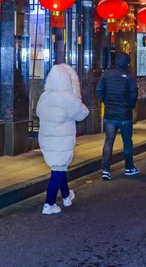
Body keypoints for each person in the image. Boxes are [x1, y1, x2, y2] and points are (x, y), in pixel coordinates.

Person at [37, 64, 89, 215]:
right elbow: (82, 114)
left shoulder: (45, 96)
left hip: (47, 138)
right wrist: (77, 95)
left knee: (59, 167)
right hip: (62, 138)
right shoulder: (68, 97)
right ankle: (49, 203)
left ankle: (66, 196)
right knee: (58, 170)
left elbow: (39, 112)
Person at [97, 52, 139, 180]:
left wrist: (107, 101)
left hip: (110, 114)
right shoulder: (129, 76)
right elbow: (133, 95)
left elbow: (99, 91)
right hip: (125, 114)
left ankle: (105, 170)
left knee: (109, 142)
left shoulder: (106, 74)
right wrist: (129, 106)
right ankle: (129, 167)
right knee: (127, 142)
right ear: (125, 62)